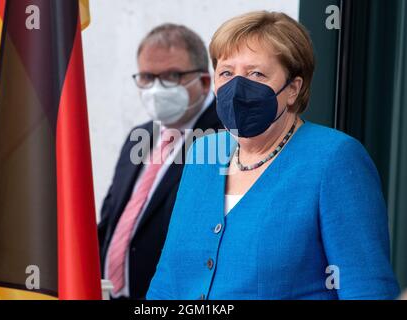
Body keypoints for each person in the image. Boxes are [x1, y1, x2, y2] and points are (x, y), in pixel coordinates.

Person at [147, 11, 400, 300]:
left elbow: (366, 290)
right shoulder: (204, 152)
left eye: (256, 73)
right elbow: (168, 281)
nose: (237, 87)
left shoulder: (334, 158)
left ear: (293, 88)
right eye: (227, 72)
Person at [98, 24, 223, 300]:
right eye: (147, 77)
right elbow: (110, 222)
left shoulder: (227, 140)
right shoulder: (138, 137)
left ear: (204, 81)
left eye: (172, 76)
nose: (156, 88)